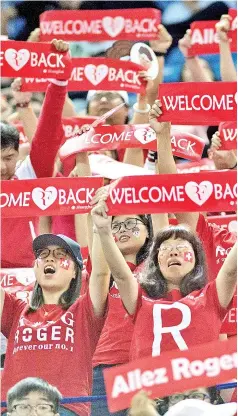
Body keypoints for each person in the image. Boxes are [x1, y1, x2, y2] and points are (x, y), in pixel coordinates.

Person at [91, 196, 237, 360]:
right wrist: (103, 230)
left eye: (181, 247)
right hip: (147, 385)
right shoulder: (140, 299)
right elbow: (121, 276)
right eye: (165, 249)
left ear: (197, 259)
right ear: (156, 261)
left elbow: (231, 271)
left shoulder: (212, 296)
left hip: (197, 385)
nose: (173, 252)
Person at [1, 233, 110, 416]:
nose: (50, 257)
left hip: (65, 407)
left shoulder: (84, 311)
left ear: (76, 271)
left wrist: (100, 227)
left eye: (61, 254)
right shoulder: (15, 309)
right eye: (43, 254)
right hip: (14, 409)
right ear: (35, 267)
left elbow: (101, 272)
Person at [1, 38, 70, 269]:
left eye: (8, 158)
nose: (2, 167)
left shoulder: (28, 175)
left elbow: (48, 133)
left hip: (28, 278)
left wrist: (59, 81)